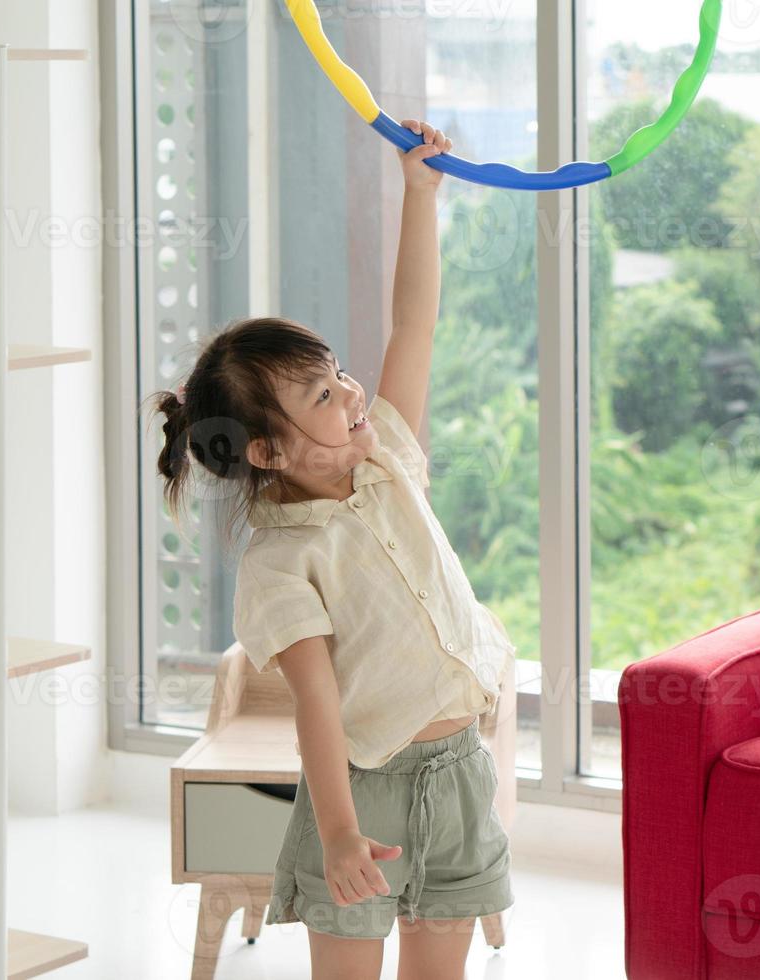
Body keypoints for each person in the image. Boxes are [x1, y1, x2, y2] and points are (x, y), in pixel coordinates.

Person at [148, 120, 516, 979]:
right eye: (322, 393)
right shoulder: (280, 564)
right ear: (267, 452)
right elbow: (316, 705)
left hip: (459, 768)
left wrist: (420, 196)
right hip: (365, 784)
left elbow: (412, 328)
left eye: (338, 372)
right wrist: (343, 828)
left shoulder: (385, 455)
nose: (351, 392)